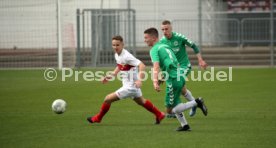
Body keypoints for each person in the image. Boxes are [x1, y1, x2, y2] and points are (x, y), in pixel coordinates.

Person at [87, 35, 165, 124]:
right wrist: (110, 76)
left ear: (122, 45)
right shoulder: (117, 55)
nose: (115, 47)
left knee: (107, 99)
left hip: (130, 87)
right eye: (113, 45)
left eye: (117, 45)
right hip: (132, 86)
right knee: (141, 101)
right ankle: (159, 114)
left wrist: (140, 80)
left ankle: (98, 118)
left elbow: (142, 65)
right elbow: (120, 66)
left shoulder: (127, 56)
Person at [143, 27, 207, 131]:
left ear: (154, 38)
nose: (144, 40)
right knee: (176, 103)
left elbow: (156, 66)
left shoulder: (154, 49)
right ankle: (185, 126)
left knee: (170, 110)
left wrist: (155, 81)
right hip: (179, 76)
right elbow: (171, 63)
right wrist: (163, 77)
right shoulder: (165, 46)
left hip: (173, 80)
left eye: (146, 38)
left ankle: (196, 102)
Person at [160, 20, 208, 118]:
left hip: (184, 66)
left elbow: (193, 46)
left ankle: (174, 110)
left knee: (176, 84)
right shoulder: (162, 42)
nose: (165, 31)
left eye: (166, 29)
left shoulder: (179, 37)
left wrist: (200, 60)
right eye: (163, 29)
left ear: (171, 29)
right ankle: (194, 103)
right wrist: (163, 74)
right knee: (181, 89)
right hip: (173, 69)